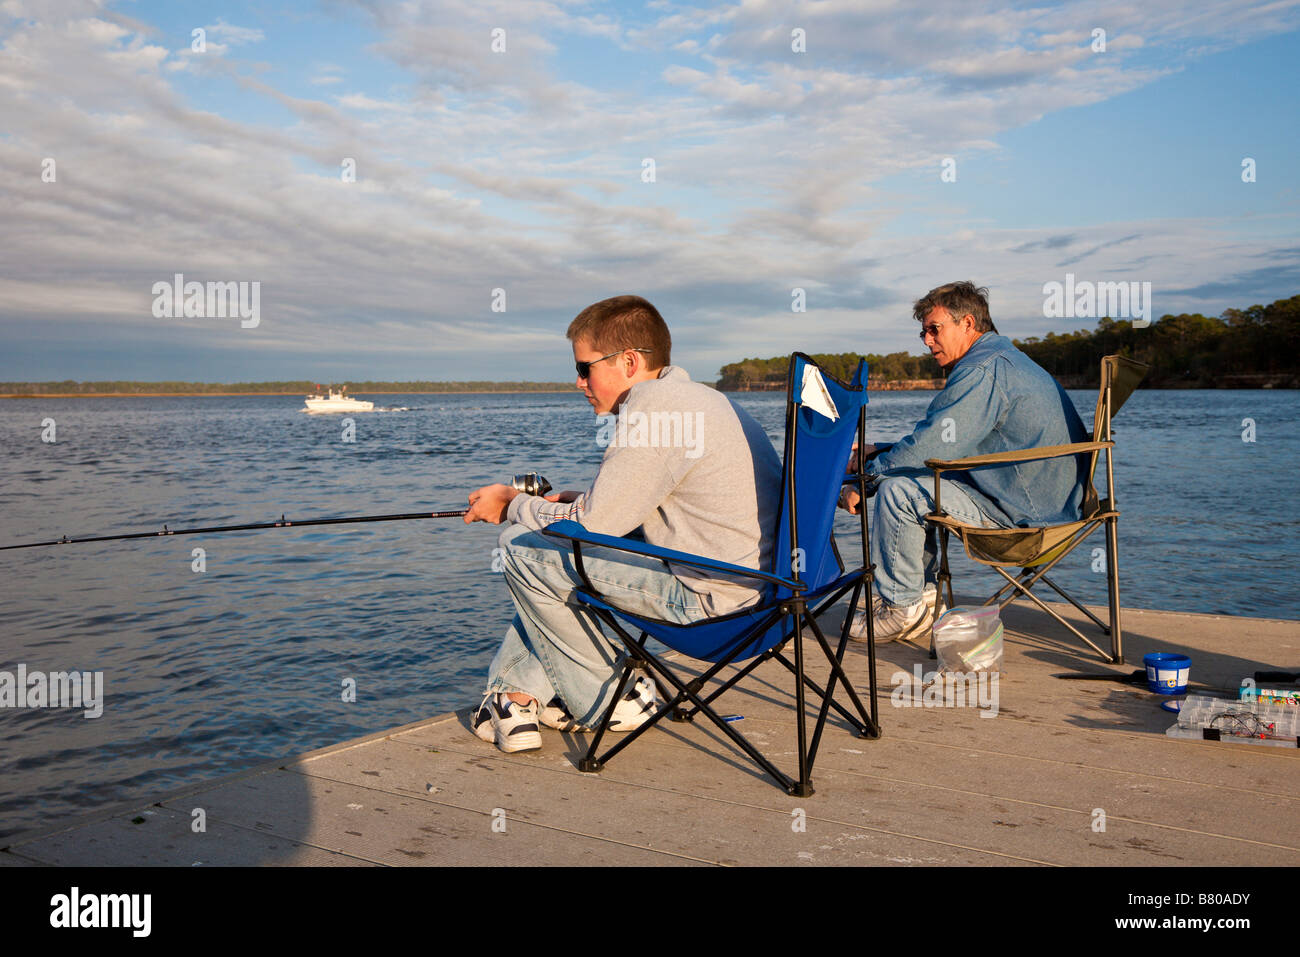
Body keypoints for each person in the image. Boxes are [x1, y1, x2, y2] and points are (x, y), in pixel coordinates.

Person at [463, 295, 783, 753]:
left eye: (585, 368)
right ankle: (513, 700)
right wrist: (580, 503)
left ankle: (616, 697)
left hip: (716, 603)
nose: (578, 382)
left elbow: (596, 526)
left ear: (628, 361)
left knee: (522, 545)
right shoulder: (703, 401)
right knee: (554, 550)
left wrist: (512, 503)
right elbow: (654, 504)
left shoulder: (656, 412)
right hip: (767, 592)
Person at [841, 281, 1088, 643]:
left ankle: (902, 608)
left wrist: (865, 481)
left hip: (1027, 517)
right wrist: (877, 449)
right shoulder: (1003, 359)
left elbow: (932, 448)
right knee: (916, 481)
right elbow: (951, 444)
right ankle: (922, 600)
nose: (926, 341)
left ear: (968, 324)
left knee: (900, 491)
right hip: (1056, 505)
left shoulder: (982, 371)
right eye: (923, 331)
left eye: (934, 329)